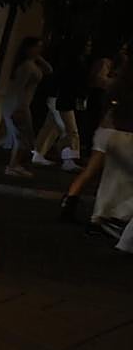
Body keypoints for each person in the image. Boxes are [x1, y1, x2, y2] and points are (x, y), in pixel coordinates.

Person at [61, 54, 133, 251]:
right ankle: (112, 218)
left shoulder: (117, 84)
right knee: (119, 180)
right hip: (124, 134)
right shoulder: (124, 86)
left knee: (96, 173)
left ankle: (80, 210)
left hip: (106, 132)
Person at [0, 37, 53, 177]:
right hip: (19, 105)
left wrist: (38, 58)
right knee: (23, 139)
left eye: (40, 47)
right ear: (28, 48)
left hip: (20, 104)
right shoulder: (27, 66)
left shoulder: (31, 63)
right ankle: (12, 166)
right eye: (37, 47)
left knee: (16, 137)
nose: (39, 50)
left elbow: (48, 70)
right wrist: (18, 109)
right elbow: (18, 89)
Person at [32, 39, 89, 172]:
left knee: (51, 128)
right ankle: (68, 160)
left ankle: (38, 153)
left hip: (56, 98)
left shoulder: (66, 62)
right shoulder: (75, 64)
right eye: (87, 45)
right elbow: (74, 84)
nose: (89, 48)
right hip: (62, 100)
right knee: (70, 130)